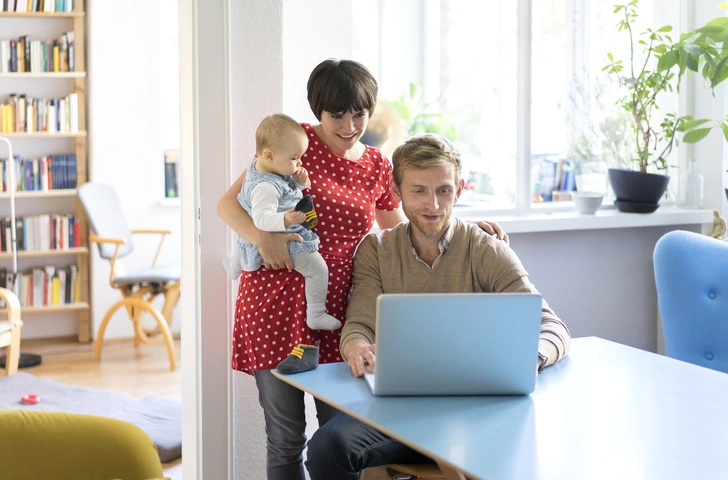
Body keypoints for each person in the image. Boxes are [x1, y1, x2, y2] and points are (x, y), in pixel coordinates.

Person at [217, 58, 508, 480]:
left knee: (340, 434)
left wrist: (461, 226)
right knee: (285, 440)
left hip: (342, 312)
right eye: (338, 114)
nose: (350, 124)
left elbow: (403, 229)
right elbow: (230, 203)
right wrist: (261, 237)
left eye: (359, 113)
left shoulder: (375, 164)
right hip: (275, 302)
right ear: (318, 109)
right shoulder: (295, 145)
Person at [304, 133, 572, 479]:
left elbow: (553, 327)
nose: (433, 204)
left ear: (458, 190)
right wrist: (356, 348)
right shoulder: (377, 250)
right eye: (418, 191)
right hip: (401, 409)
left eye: (444, 190)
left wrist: (530, 358)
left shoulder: (486, 249)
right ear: (396, 192)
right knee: (327, 447)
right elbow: (359, 324)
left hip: (480, 409)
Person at [222, 113, 341, 331]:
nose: (300, 162)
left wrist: (299, 182)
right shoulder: (265, 187)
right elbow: (261, 219)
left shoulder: (266, 167)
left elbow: (285, 194)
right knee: (318, 270)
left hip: (255, 237)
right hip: (284, 238)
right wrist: (285, 219)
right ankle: (316, 314)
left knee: (243, 244)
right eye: (295, 158)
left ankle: (233, 267)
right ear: (269, 155)